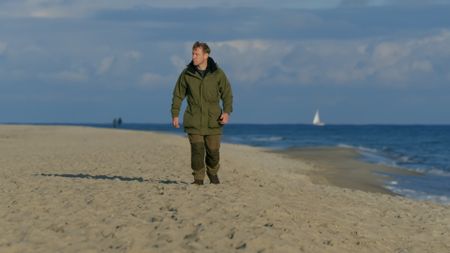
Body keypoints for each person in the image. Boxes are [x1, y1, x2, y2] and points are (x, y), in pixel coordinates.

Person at [171, 41, 233, 185]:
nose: (193, 57)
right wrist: (175, 114)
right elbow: (178, 95)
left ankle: (212, 173)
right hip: (194, 118)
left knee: (213, 152)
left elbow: (227, 94)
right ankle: (198, 178)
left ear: (206, 55)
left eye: (197, 54)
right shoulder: (187, 74)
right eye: (193, 53)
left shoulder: (217, 73)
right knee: (197, 151)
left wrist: (227, 112)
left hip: (213, 120)